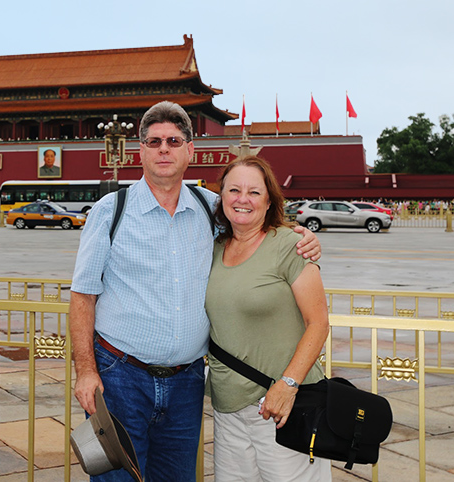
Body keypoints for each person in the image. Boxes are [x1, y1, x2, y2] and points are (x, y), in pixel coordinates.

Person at [70, 101, 321, 481]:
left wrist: (304, 237)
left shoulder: (210, 210)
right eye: (154, 142)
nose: (164, 149)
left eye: (174, 140)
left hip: (186, 383)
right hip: (120, 378)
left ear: (191, 151)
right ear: (141, 151)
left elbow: (254, 219)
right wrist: (86, 370)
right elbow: (82, 296)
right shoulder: (110, 211)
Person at [205, 155, 331, 481]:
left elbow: (318, 324)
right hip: (228, 408)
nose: (242, 199)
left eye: (254, 192)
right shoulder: (214, 248)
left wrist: (287, 386)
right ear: (222, 197)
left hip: (282, 407)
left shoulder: (290, 246)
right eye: (234, 190)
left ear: (269, 200)